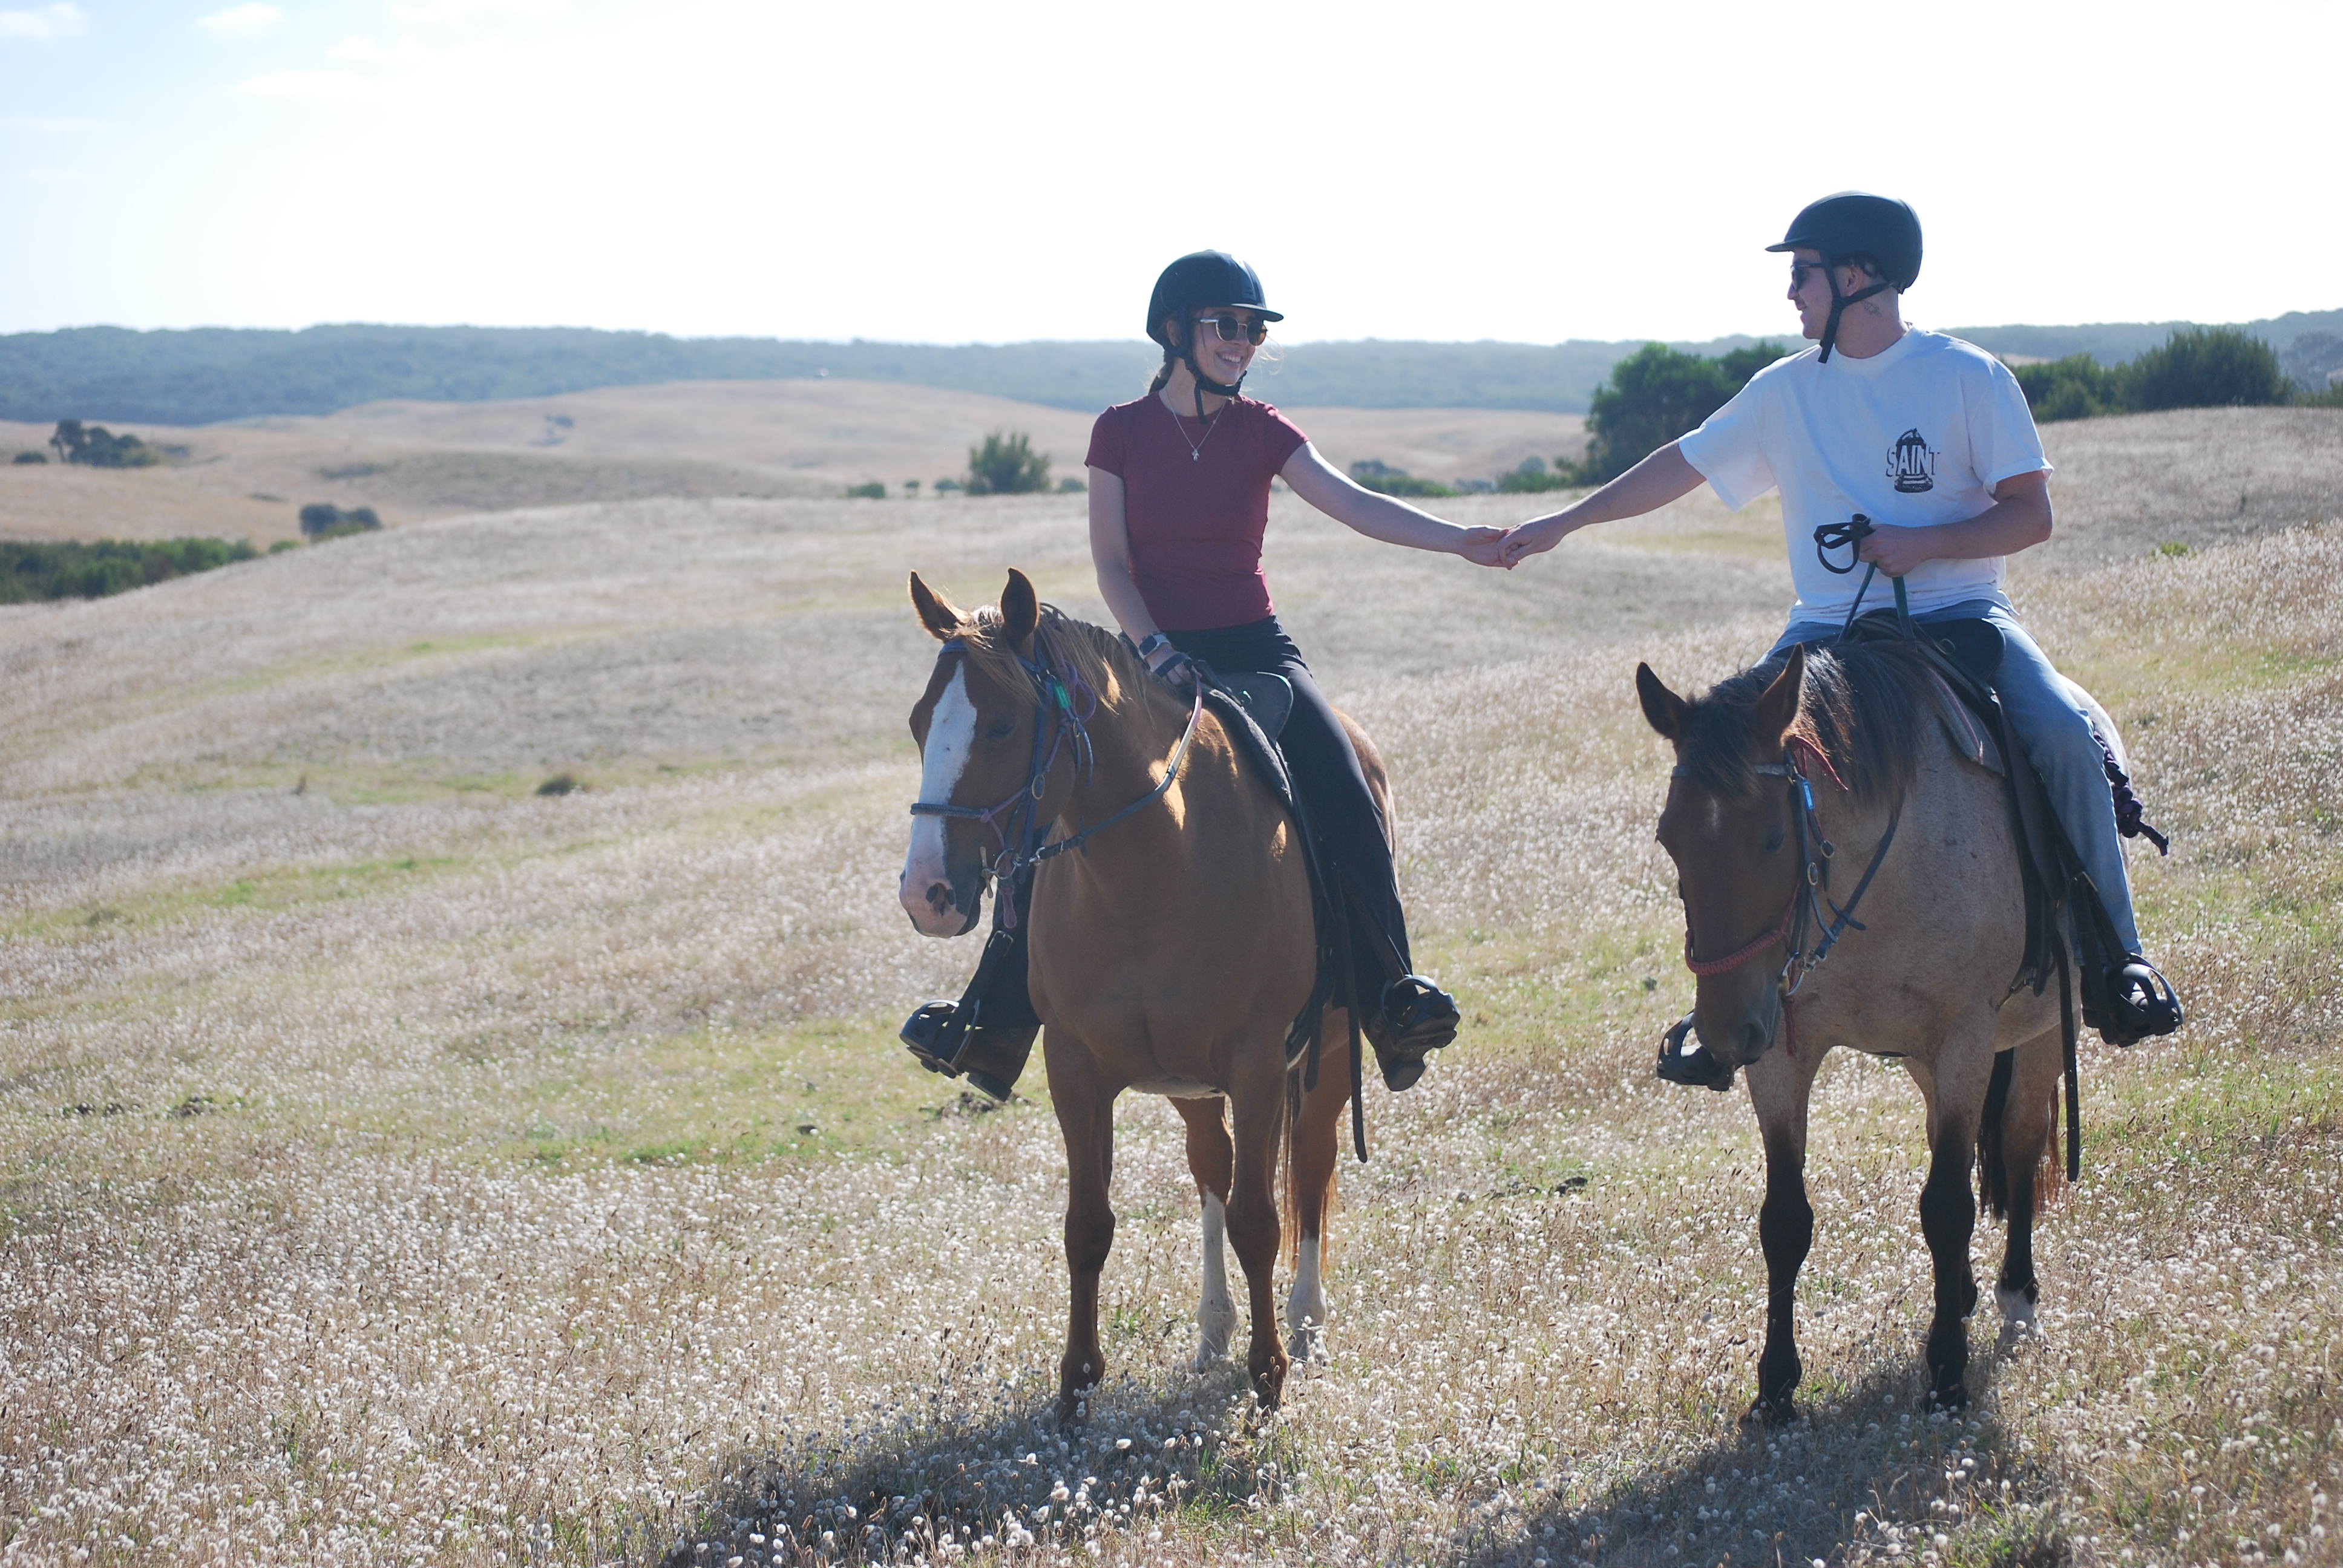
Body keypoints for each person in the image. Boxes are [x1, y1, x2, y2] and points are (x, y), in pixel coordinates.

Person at [1498, 192, 2183, 1082]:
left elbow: (2032, 515)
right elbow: (1681, 464)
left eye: (1804, 272)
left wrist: (1924, 545)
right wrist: (1564, 521)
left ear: (1860, 275)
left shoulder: (1970, 378)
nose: (1791, 292)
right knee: (1719, 769)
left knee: (2061, 731)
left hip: (1962, 619)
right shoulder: (1783, 391)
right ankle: (1724, 998)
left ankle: (2118, 958)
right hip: (1824, 633)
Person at [905, 249, 1507, 1097]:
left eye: (1254, 329)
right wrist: (1155, 648)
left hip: (1258, 652)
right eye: (1228, 324)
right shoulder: (1119, 431)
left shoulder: (1264, 429)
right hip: (1150, 658)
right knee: (1053, 795)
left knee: (1343, 784)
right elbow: (1112, 564)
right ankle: (992, 1022)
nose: (1244, 341)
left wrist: (1459, 539)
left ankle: (1390, 998)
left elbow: (1354, 504)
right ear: (1175, 331)